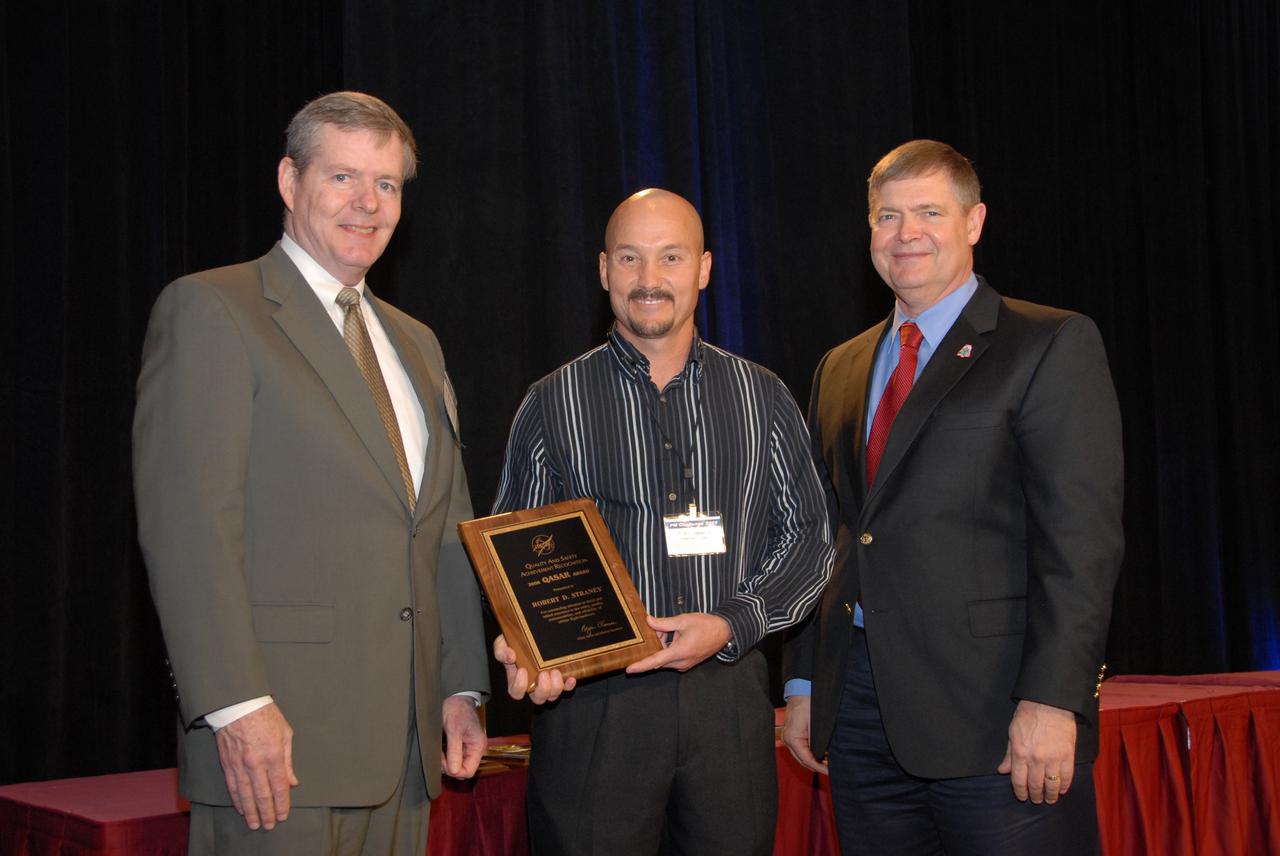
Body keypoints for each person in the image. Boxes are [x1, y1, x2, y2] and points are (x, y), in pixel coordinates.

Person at [133, 91, 489, 856]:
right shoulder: (213, 310)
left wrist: (460, 688)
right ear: (290, 183)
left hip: (406, 747)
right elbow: (191, 528)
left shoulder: (416, 342)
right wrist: (235, 706)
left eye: (387, 184)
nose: (367, 203)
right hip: (277, 749)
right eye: (343, 178)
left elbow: (447, 533)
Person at [782, 139, 1123, 855]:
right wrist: (808, 680)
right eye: (887, 216)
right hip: (862, 717)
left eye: (930, 212)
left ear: (974, 223)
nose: (906, 234)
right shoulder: (839, 368)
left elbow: (1080, 546)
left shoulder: (1049, 344)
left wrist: (1055, 701)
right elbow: (832, 540)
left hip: (995, 717)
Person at [490, 188, 834, 855]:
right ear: (603, 271)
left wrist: (733, 623)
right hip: (593, 709)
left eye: (670, 257)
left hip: (728, 704)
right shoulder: (551, 402)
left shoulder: (763, 398)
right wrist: (527, 637)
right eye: (630, 258)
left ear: (704, 269)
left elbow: (809, 542)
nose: (649, 280)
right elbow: (513, 555)